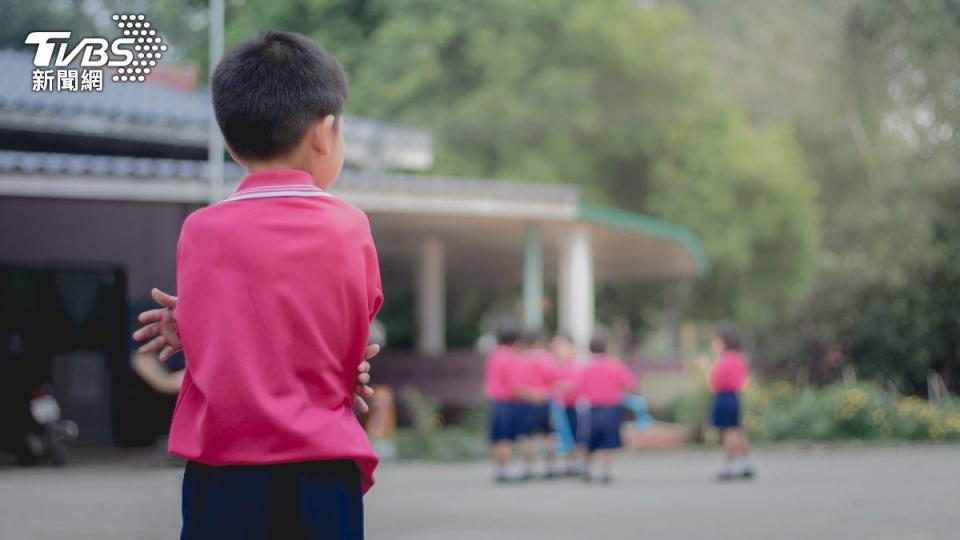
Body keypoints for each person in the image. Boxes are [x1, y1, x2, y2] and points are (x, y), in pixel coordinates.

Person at [132, 32, 382, 539]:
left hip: (224, 469)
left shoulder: (201, 229)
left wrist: (199, 323)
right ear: (325, 133)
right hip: (320, 464)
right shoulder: (349, 226)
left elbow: (234, 328)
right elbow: (352, 328)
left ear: (229, 143)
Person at [574, 333, 636, 483]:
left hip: (592, 409)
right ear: (607, 347)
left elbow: (577, 387)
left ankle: (587, 468)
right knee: (609, 441)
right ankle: (605, 471)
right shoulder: (615, 364)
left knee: (589, 441)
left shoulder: (585, 366)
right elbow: (629, 384)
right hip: (611, 408)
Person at [707, 321, 755, 480]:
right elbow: (743, 380)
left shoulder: (723, 360)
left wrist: (707, 368)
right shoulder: (740, 358)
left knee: (728, 433)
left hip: (723, 397)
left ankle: (729, 467)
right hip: (735, 397)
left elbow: (713, 382)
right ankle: (746, 463)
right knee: (738, 430)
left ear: (723, 342)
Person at [484, 320, 525, 482]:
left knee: (496, 436)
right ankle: (505, 469)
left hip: (495, 401)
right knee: (505, 438)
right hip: (509, 402)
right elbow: (515, 384)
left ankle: (499, 468)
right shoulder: (513, 357)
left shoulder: (493, 355)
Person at [519, 331, 561, 478]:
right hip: (546, 401)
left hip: (527, 401)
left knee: (527, 436)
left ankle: (528, 468)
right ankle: (550, 467)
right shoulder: (549, 358)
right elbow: (556, 379)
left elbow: (516, 383)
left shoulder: (521, 359)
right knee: (550, 435)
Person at [550, 333, 586, 476]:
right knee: (562, 435)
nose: (559, 349)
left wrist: (558, 387)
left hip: (575, 407)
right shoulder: (554, 366)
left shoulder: (576, 365)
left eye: (562, 345)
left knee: (577, 435)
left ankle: (578, 461)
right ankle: (569, 462)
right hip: (559, 408)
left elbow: (573, 385)